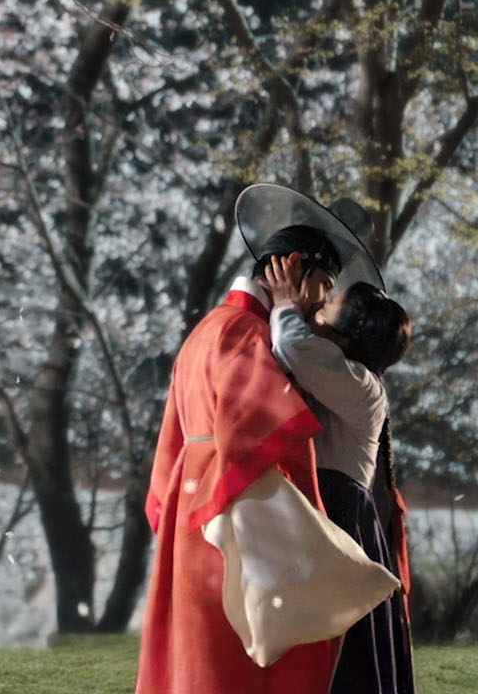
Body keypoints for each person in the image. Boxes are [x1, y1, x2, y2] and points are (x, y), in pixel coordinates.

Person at [135, 225, 346, 694]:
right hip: (229, 512)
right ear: (294, 266)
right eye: (324, 286)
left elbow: (171, 441)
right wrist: (314, 517)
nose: (322, 303)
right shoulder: (246, 333)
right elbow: (269, 437)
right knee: (239, 660)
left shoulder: (207, 329)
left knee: (198, 655)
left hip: (191, 504)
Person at [266, 253, 414, 694]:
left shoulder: (362, 386)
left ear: (348, 337)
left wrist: (284, 303)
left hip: (339, 520)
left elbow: (296, 348)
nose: (319, 306)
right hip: (327, 514)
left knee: (340, 659)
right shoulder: (347, 376)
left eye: (328, 305)